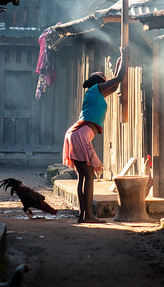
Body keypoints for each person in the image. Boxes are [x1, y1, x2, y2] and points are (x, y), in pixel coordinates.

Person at [63, 46, 129, 223]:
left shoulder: (94, 94)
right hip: (80, 134)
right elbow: (119, 78)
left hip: (74, 134)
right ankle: (89, 216)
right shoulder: (95, 90)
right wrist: (124, 56)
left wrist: (119, 62)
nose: (107, 84)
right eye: (105, 81)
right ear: (100, 82)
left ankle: (83, 215)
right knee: (89, 175)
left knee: (83, 176)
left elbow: (115, 85)